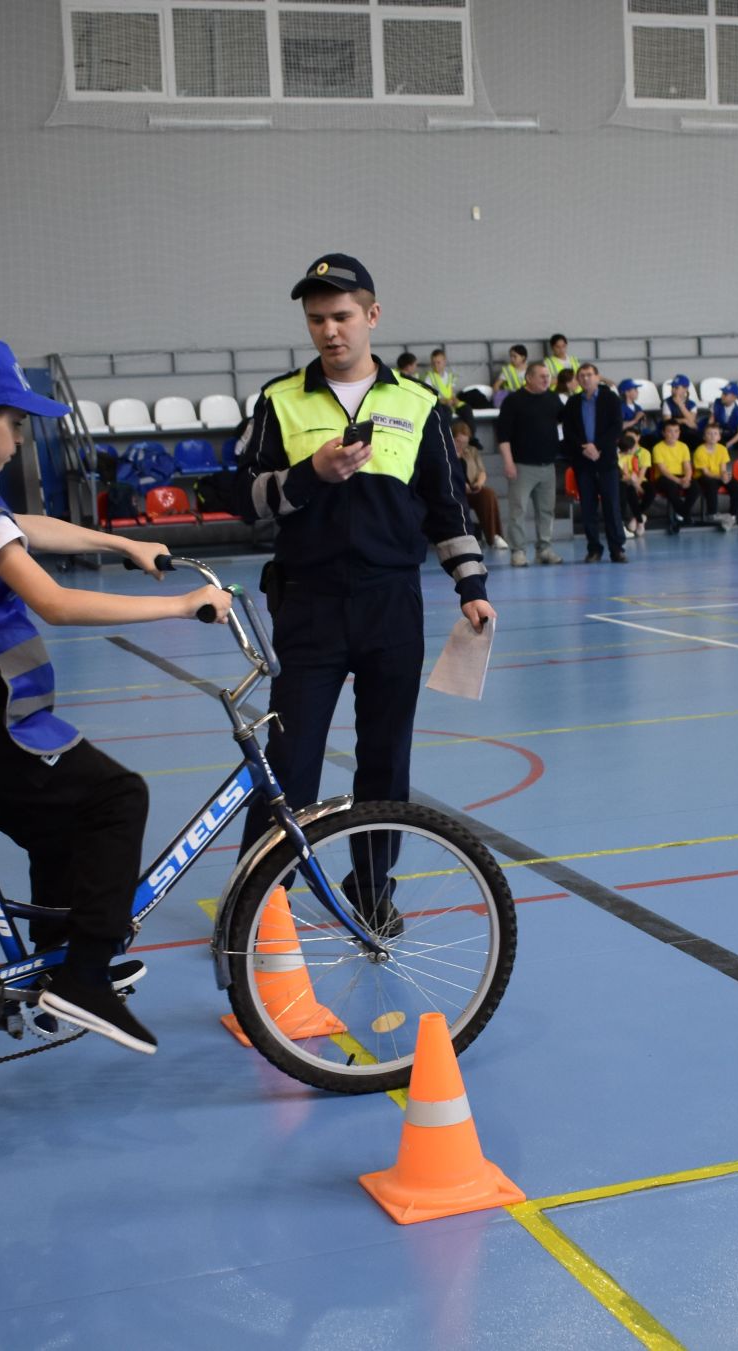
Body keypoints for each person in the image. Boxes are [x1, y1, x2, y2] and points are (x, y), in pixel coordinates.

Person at [0, 339, 231, 1056]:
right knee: (118, 797)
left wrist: (121, 543)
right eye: (14, 421)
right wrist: (184, 605)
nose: (19, 436)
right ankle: (84, 978)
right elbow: (55, 603)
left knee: (55, 824)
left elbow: (22, 530)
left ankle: (54, 970)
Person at [231, 253, 494, 919]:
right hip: (308, 604)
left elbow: (447, 507)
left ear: (371, 316)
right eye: (317, 319)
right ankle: (264, 901)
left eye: (342, 316)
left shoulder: (419, 403)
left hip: (390, 605)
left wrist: (470, 583)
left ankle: (372, 889)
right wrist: (310, 473)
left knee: (385, 760)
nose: (330, 331)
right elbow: (243, 498)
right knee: (291, 758)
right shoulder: (279, 400)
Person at [496, 360, 564, 567]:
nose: (547, 380)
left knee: (546, 510)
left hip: (547, 465)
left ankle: (544, 548)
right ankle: (518, 551)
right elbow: (503, 435)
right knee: (518, 511)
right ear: (529, 378)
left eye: (548, 376)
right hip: (522, 466)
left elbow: (564, 422)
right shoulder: (513, 401)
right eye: (542, 376)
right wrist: (508, 461)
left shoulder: (552, 399)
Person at [560, 362, 627, 563]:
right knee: (588, 507)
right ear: (578, 380)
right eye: (582, 376)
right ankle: (594, 549)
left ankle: (617, 548)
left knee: (611, 506)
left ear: (597, 377)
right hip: (583, 461)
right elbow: (568, 430)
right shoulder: (572, 402)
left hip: (605, 459)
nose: (586, 378)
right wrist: (584, 446)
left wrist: (597, 446)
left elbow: (616, 426)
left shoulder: (610, 398)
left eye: (590, 375)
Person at [452, 417, 507, 552]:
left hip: (471, 489)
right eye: (458, 441)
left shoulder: (472, 451)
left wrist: (479, 483)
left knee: (488, 494)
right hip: (454, 490)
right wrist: (460, 484)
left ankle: (494, 536)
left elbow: (482, 471)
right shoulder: (445, 453)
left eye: (465, 442)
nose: (461, 445)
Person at [689, 421, 738, 532]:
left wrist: (724, 476)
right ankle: (712, 513)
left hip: (719, 475)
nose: (712, 436)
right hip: (704, 477)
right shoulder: (699, 451)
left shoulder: (722, 449)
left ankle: (732, 516)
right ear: (704, 437)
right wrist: (721, 477)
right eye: (709, 434)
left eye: (715, 433)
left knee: (737, 486)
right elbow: (706, 473)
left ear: (719, 437)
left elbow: (723, 468)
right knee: (711, 483)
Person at [647, 419, 693, 534]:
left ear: (679, 433)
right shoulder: (657, 448)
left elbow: (687, 466)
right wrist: (679, 481)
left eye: (676, 431)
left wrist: (687, 477)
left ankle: (680, 513)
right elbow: (663, 470)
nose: (673, 434)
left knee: (695, 488)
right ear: (663, 433)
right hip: (663, 478)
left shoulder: (684, 446)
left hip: (681, 476)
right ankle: (685, 515)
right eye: (670, 431)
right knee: (672, 487)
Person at [618, 429, 652, 538]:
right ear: (628, 449)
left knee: (631, 491)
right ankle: (622, 525)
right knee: (623, 495)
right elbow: (623, 475)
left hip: (629, 482)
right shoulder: (618, 458)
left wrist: (635, 483)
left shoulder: (632, 456)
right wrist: (634, 483)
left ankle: (638, 519)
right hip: (619, 482)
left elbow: (633, 474)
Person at [663, 374, 701, 447]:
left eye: (676, 388)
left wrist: (680, 405)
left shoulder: (692, 404)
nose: (673, 390)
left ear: (685, 389)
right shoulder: (667, 402)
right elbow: (667, 421)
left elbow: (691, 421)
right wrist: (683, 420)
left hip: (686, 430)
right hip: (672, 430)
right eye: (672, 387)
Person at [709, 384, 738, 454]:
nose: (722, 396)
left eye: (725, 394)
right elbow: (711, 421)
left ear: (734, 397)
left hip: (731, 434)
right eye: (722, 393)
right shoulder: (717, 403)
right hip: (719, 432)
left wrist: (728, 444)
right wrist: (712, 433)